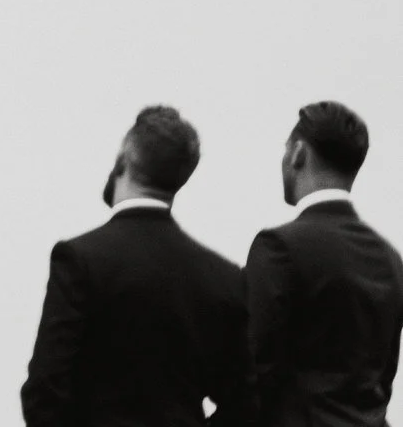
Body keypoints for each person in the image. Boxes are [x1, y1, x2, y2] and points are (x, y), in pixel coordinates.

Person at [21, 105, 248, 427]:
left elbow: (44, 390)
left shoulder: (79, 259)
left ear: (122, 159)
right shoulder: (223, 277)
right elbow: (243, 401)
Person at [245, 102, 403, 427]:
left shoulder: (279, 248)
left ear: (298, 154)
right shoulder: (389, 259)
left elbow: (256, 369)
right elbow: (384, 372)